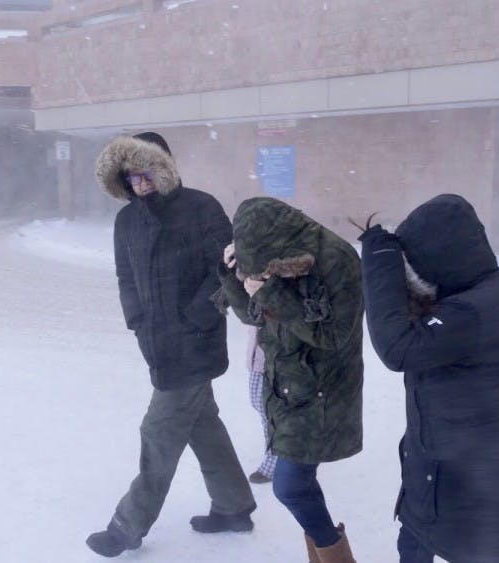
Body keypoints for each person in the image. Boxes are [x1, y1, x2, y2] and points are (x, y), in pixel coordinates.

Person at [85, 132, 256, 557]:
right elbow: (126, 277)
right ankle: (234, 506)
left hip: (197, 342)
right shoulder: (127, 221)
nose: (139, 184)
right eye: (131, 177)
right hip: (157, 343)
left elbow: (227, 271)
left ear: (163, 168)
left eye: (145, 174)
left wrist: (195, 318)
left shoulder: (202, 208)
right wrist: (138, 322)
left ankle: (128, 525)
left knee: (159, 432)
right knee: (203, 425)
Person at [357, 194, 499, 563]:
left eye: (417, 263)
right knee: (414, 546)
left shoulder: (474, 309)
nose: (417, 273)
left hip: (469, 474)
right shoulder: (473, 293)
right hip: (440, 464)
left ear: (441, 254)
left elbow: (397, 348)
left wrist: (381, 259)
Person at [217, 197, 363, 563]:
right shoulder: (266, 261)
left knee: (290, 487)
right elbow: (253, 317)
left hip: (323, 390)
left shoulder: (336, 258)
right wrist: (232, 276)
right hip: (284, 386)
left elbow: (334, 335)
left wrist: (268, 292)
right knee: (299, 486)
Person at [245, 325, 278, 484]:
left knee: (270, 411)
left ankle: (276, 459)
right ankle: (276, 454)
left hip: (274, 359)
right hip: (257, 356)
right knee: (258, 402)